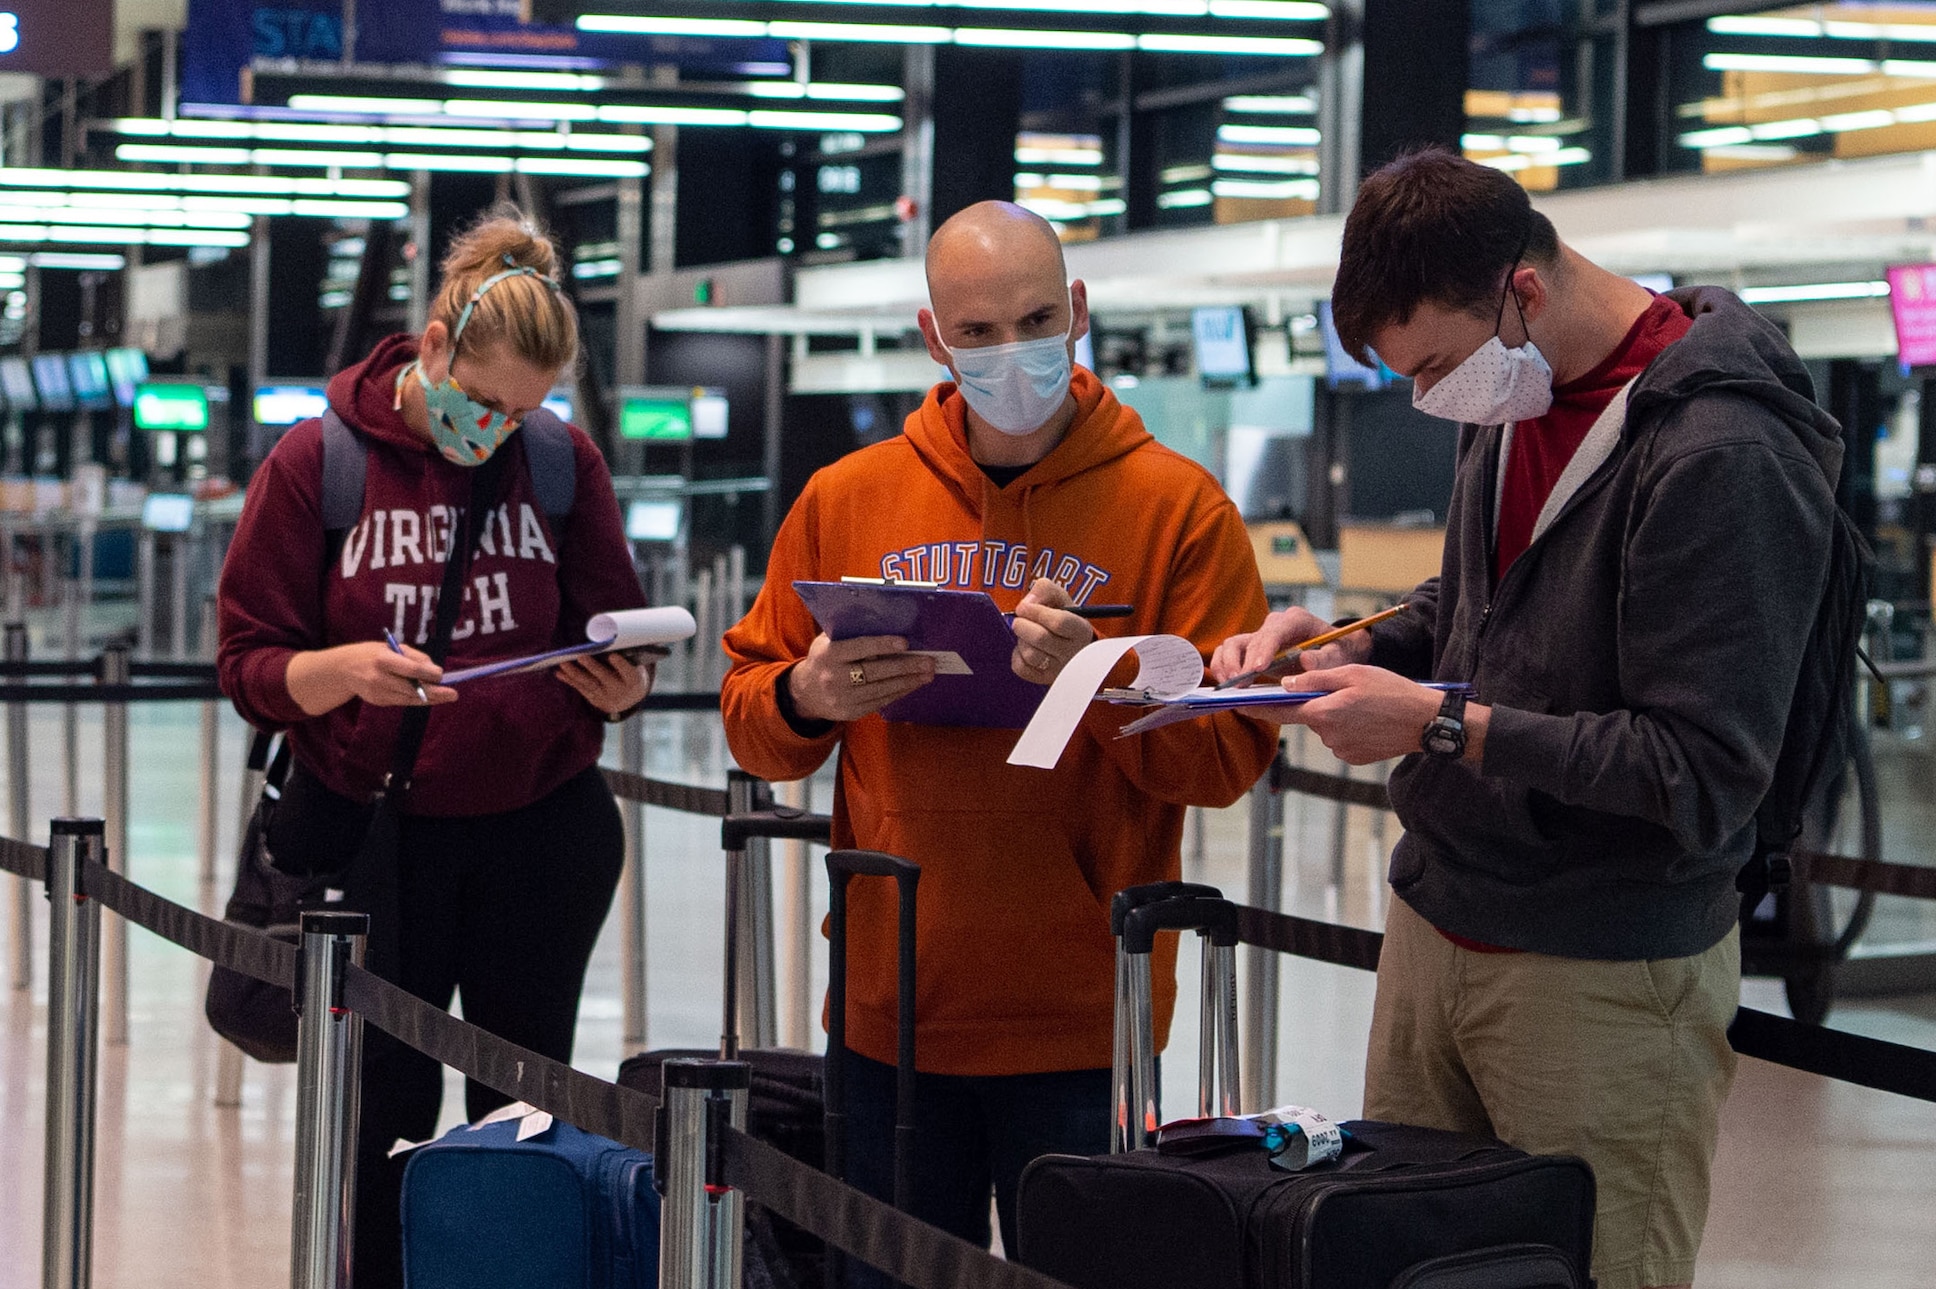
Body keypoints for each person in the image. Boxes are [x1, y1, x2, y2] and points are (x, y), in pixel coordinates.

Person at [1214, 149, 1840, 1289]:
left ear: (1523, 290)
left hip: (1598, 966)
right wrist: (1340, 646)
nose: (1427, 397)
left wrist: (1435, 725)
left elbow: (1699, 766)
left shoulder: (1721, 449)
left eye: (1435, 364)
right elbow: (1473, 606)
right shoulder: (1507, 391)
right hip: (1438, 921)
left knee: (1586, 1269)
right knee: (1400, 1260)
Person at [722, 200, 1276, 1263]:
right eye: (975, 332)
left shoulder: (1179, 509)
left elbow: (1224, 756)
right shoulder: (848, 499)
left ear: (1074, 311)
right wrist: (808, 694)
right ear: (933, 336)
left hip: (1080, 1019)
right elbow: (751, 719)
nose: (1008, 352)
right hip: (890, 1010)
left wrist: (1100, 681)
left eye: (1031, 319)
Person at [216, 208, 649, 1288]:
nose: (499, 427)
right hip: (377, 837)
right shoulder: (321, 459)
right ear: (437, 341)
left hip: (539, 830)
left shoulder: (559, 461)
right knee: (382, 1115)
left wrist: (623, 681)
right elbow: (246, 663)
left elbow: (612, 619)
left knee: (525, 1110)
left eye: (525, 411)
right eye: (487, 400)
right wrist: (342, 670)